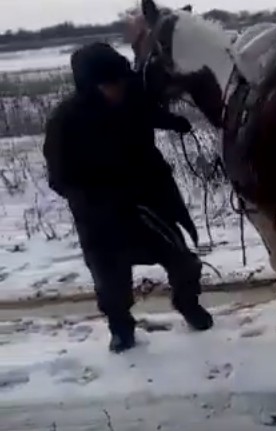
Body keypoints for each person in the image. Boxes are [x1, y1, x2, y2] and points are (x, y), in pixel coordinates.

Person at [43, 42, 214, 353]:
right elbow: (60, 178)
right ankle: (121, 328)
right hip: (101, 217)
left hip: (149, 205)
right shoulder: (66, 121)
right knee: (111, 285)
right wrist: (96, 200)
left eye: (120, 81)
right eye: (109, 84)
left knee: (184, 263)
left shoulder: (130, 97)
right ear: (90, 86)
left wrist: (174, 123)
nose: (117, 89)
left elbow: (149, 112)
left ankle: (188, 304)